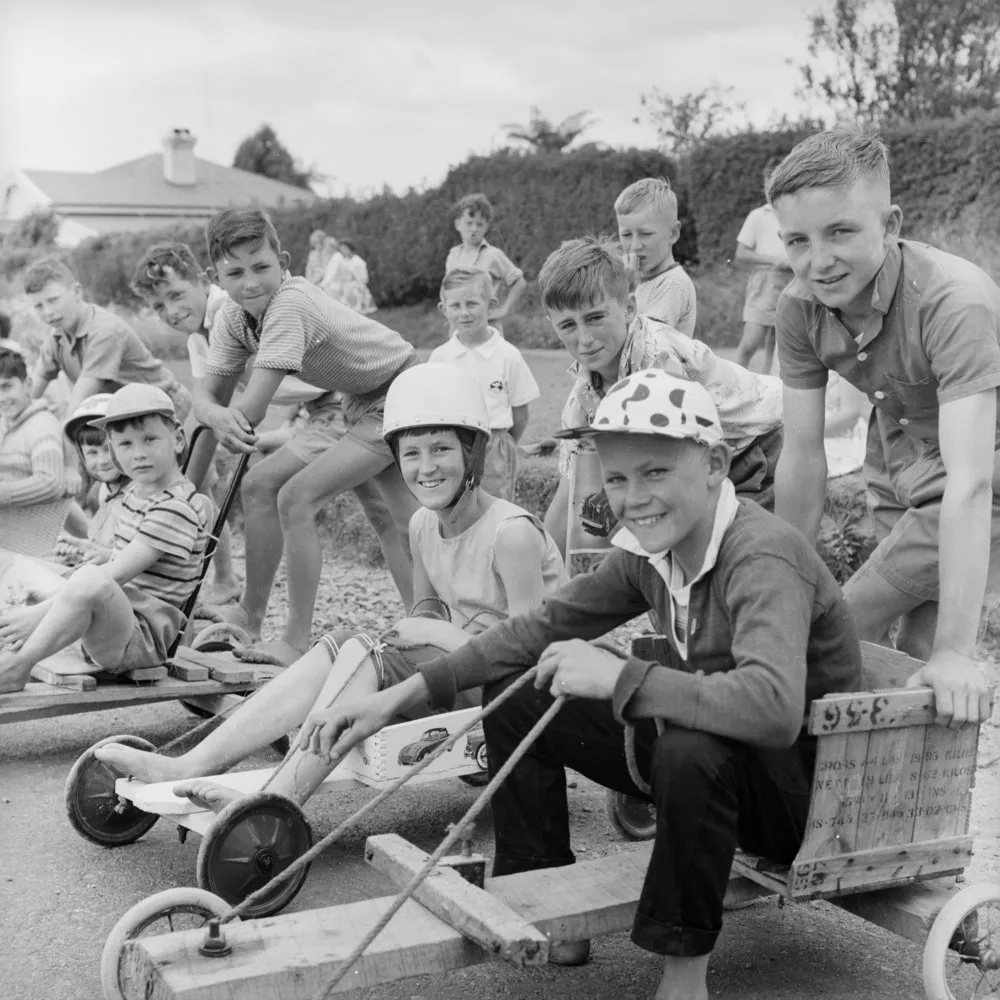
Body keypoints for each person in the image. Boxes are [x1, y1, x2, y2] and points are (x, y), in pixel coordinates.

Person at [286, 370, 863, 997]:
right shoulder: (651, 551)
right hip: (711, 754)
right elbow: (540, 626)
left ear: (716, 465)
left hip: (802, 802)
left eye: (655, 473)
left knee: (690, 749)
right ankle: (544, 899)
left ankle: (684, 975)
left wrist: (622, 676)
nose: (633, 497)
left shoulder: (760, 555)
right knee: (529, 681)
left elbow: (775, 711)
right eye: (616, 478)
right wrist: (399, 695)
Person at [93, 364, 566, 803]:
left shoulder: (512, 534)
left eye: (442, 449)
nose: (426, 468)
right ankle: (189, 763)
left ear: (472, 451)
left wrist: (436, 636)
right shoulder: (423, 524)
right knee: (342, 642)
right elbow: (425, 615)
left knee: (367, 652)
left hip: (504, 694)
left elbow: (525, 658)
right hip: (456, 673)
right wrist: (426, 633)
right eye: (411, 454)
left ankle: (278, 799)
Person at [771, 128, 998, 728]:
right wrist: (779, 580)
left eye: (840, 231)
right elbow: (801, 454)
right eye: (797, 240)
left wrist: (959, 651)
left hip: (983, 465)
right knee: (909, 653)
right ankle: (894, 804)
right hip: (898, 456)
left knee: (842, 625)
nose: (818, 261)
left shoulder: (954, 301)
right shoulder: (799, 306)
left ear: (890, 223)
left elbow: (973, 482)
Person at [191, 207, 422, 666]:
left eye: (261, 267)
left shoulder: (289, 305)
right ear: (215, 277)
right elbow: (208, 395)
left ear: (285, 261)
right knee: (394, 518)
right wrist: (210, 415)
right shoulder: (235, 320)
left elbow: (249, 410)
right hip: (360, 400)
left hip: (400, 392)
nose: (251, 282)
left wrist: (214, 414)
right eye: (234, 273)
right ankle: (423, 625)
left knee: (295, 498)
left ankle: (296, 641)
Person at [538, 237, 783, 557]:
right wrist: (542, 565)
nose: (584, 338)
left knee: (727, 554)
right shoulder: (582, 400)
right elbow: (570, 493)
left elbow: (673, 473)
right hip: (708, 458)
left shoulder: (657, 356)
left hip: (756, 446)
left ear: (628, 308)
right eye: (568, 325)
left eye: (595, 317)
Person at [0, 384, 209, 693]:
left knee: (87, 579)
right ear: (113, 448)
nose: (138, 454)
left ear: (177, 439)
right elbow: (121, 559)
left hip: (139, 640)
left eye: (149, 439)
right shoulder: (136, 494)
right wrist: (97, 552)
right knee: (14, 562)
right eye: (125, 444)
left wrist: (37, 614)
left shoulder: (174, 507)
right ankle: (12, 641)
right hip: (112, 614)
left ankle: (19, 664)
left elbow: (112, 576)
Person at [22, 258, 193, 425]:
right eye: (39, 306)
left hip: (164, 405)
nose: (48, 312)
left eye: (53, 300)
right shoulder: (56, 337)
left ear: (76, 292)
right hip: (128, 411)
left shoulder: (104, 331)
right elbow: (29, 392)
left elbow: (80, 401)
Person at [429, 268, 539, 501]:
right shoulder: (440, 358)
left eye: (472, 303)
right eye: (455, 306)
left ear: (491, 305)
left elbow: (521, 414)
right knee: (453, 504)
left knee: (493, 509)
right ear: (443, 309)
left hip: (494, 446)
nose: (464, 313)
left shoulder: (508, 356)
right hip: (451, 444)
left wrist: (504, 445)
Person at [734, 159, 795, 373]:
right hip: (765, 281)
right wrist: (772, 261)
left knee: (780, 343)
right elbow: (741, 253)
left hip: (792, 280)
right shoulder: (758, 216)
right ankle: (731, 386)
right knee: (751, 341)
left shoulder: (794, 213)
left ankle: (774, 387)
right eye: (770, 184)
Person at [615, 178, 696, 337]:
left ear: (673, 233)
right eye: (626, 235)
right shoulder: (644, 281)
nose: (634, 246)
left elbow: (645, 341)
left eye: (645, 234)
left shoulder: (673, 283)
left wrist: (625, 287)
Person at [53, 393, 124, 561]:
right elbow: (103, 545)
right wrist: (80, 550)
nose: (102, 460)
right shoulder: (102, 491)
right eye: (92, 452)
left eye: (108, 449)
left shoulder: (139, 494)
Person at [0, 344, 69, 513]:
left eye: (6, 387)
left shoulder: (41, 424)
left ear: (27, 384)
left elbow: (51, 483)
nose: (1, 398)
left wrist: (4, 492)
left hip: (34, 529)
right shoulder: (5, 423)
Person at [445, 193, 527, 330]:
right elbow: (446, 291)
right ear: (458, 224)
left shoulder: (493, 255)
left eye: (479, 224)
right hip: (458, 328)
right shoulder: (452, 255)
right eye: (469, 223)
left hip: (487, 327)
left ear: (486, 226)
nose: (474, 229)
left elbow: (520, 283)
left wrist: (504, 310)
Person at [337, 240, 378, 315]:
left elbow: (363, 278)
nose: (343, 251)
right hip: (346, 285)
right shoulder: (343, 261)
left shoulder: (358, 261)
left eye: (345, 249)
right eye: (341, 250)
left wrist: (356, 282)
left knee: (355, 292)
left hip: (356, 285)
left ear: (350, 249)